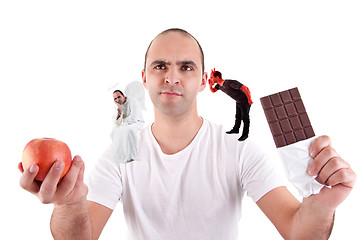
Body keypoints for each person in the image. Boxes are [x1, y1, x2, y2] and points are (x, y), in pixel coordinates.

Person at [18, 28, 356, 239]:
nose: (172, 77)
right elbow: (80, 237)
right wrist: (69, 205)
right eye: (160, 66)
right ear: (145, 77)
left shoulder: (239, 150)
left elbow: (299, 232)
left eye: (186, 67)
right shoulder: (120, 155)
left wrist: (322, 206)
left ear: (204, 80)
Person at [208, 69, 253, 141]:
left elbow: (245, 88)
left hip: (244, 101)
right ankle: (236, 130)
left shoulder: (229, 82)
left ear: (217, 77)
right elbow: (213, 91)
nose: (210, 79)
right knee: (238, 116)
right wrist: (210, 85)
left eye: (211, 77)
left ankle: (245, 134)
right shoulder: (219, 86)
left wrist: (249, 99)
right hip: (238, 101)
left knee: (245, 118)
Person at [111, 89, 144, 163]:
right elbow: (115, 122)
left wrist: (122, 122)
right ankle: (120, 155)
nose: (117, 100)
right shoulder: (119, 105)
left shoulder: (133, 102)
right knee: (114, 131)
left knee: (127, 130)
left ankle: (131, 156)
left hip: (137, 122)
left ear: (123, 95)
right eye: (115, 99)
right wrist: (119, 110)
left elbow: (133, 119)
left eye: (119, 97)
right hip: (125, 124)